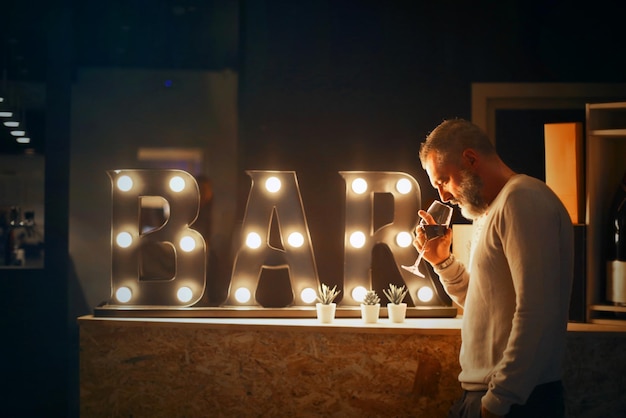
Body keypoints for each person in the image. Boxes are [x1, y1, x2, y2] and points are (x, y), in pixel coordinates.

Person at [416, 118, 574, 418]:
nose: (443, 196)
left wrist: (500, 399)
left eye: (443, 180)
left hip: (515, 402)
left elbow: (536, 311)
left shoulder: (523, 199)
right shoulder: (492, 210)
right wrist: (443, 262)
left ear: (471, 159)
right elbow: (487, 303)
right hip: (492, 396)